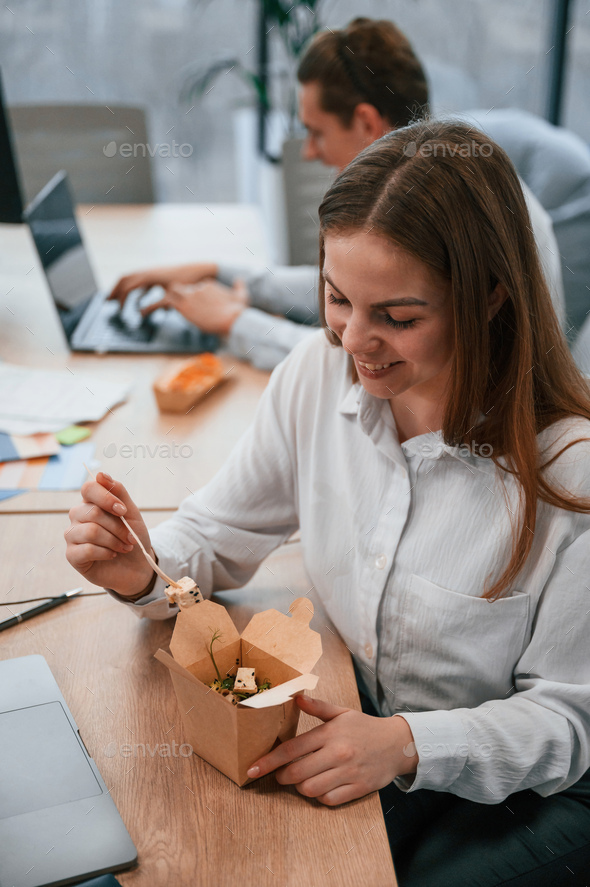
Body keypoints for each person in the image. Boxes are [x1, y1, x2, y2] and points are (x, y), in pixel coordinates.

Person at [66, 120, 590, 886]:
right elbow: (216, 535)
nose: (354, 341)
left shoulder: (568, 473)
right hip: (362, 730)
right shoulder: (318, 373)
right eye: (338, 298)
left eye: (398, 318)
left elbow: (568, 719)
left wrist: (407, 742)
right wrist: (140, 569)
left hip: (524, 790)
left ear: (489, 301)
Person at [108, 18, 565, 371]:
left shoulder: (453, 215)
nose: (308, 152)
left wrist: (234, 321)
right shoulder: (430, 183)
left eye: (316, 132)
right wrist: (220, 272)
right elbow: (362, 300)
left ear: (366, 123)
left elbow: (371, 354)